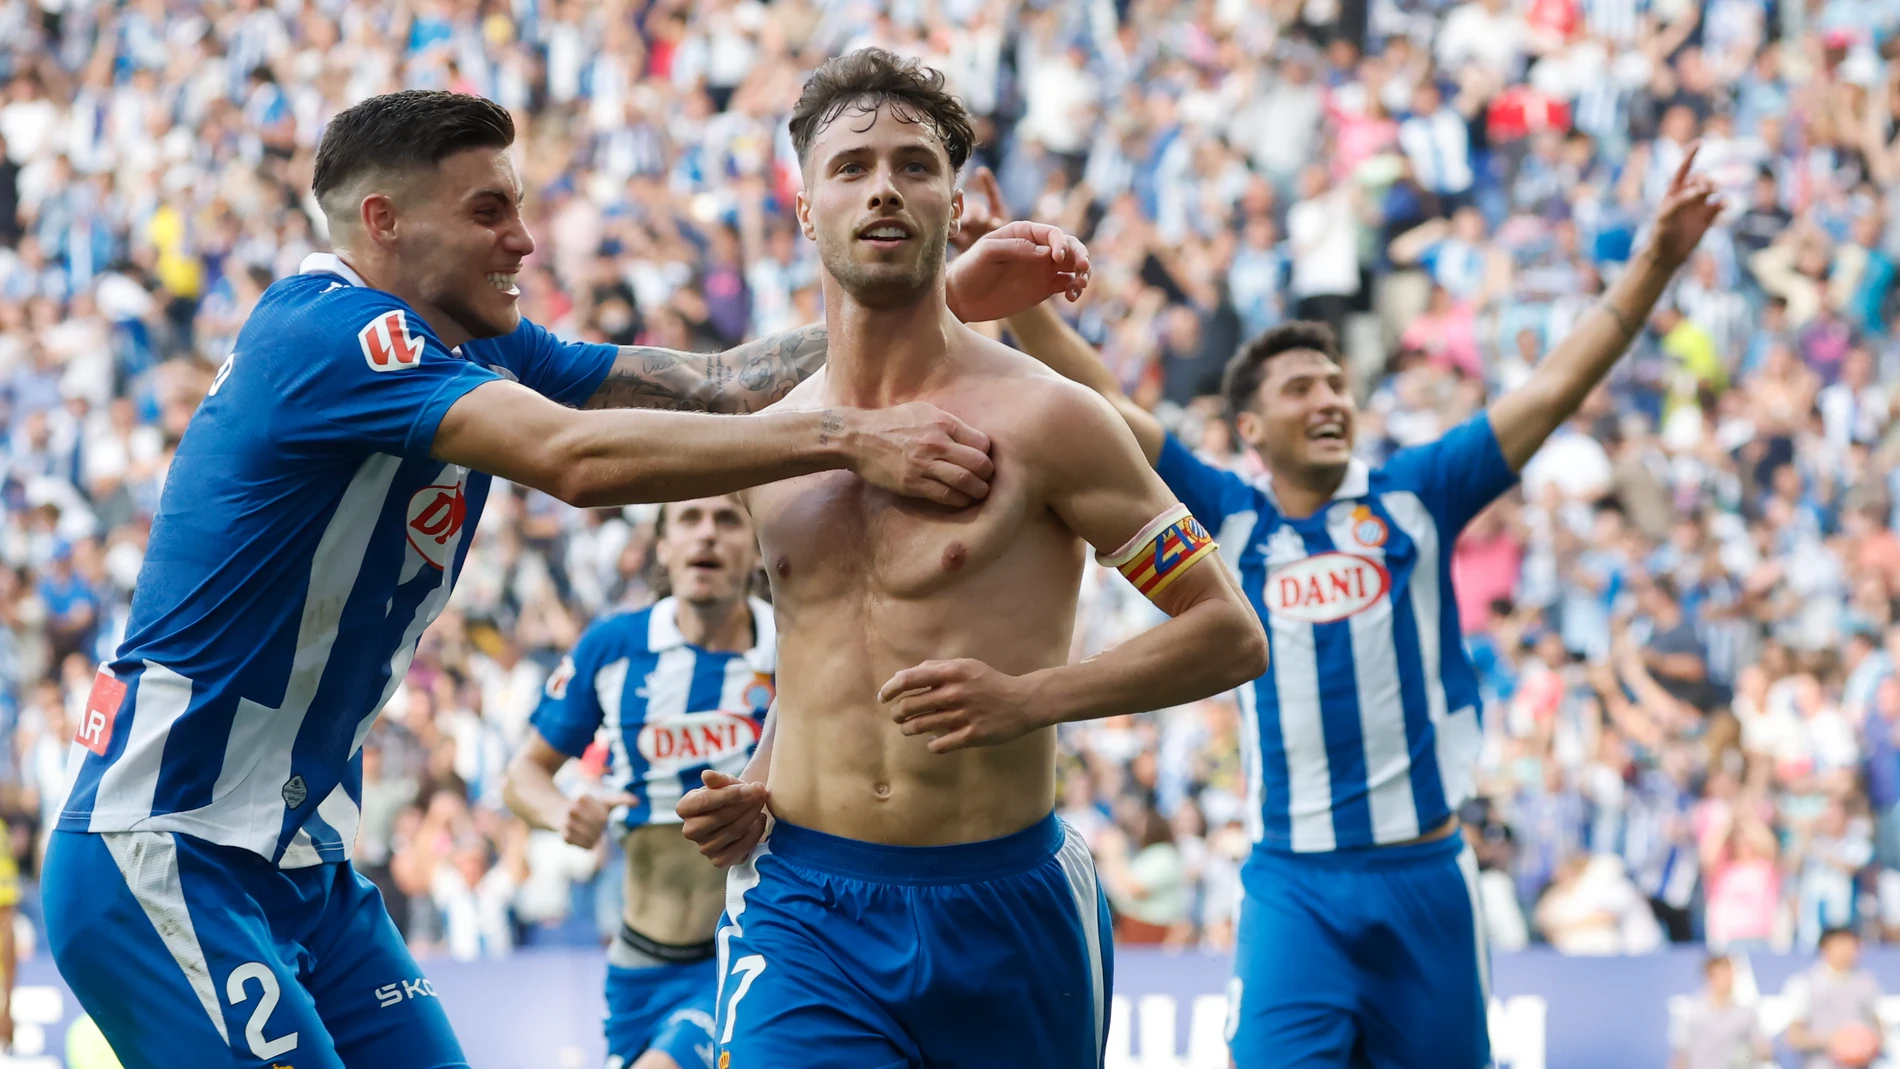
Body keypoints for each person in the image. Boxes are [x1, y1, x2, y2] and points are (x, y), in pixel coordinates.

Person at [38, 89, 1086, 1069]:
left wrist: (938, 293)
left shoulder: (471, 346)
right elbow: (575, 462)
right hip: (165, 843)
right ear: (384, 222)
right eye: (489, 211)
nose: (525, 241)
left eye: (522, 208)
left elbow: (712, 386)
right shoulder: (328, 333)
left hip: (301, 861)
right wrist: (849, 439)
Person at [996, 148, 1722, 1066]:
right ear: (1251, 429)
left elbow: (1552, 389)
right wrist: (1019, 301)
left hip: (1426, 877)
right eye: (1301, 387)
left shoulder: (1420, 491)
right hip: (1294, 887)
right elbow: (1100, 399)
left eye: (1337, 382)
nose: (1330, 397)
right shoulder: (1227, 512)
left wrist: (1656, 259)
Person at [673, 49, 1267, 1068]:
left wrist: (1030, 697)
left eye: (913, 163)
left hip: (1005, 905)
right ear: (805, 209)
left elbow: (1232, 632)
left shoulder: (1051, 418)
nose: (884, 186)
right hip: (805, 908)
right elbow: (826, 639)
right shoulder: (769, 441)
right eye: (850, 166)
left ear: (953, 201)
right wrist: (760, 778)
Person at [504, 495, 775, 1069]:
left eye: (727, 520)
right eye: (689, 519)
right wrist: (563, 814)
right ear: (664, 547)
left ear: (757, 551)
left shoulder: (793, 648)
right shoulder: (613, 648)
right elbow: (522, 775)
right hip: (637, 962)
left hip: (747, 946)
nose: (707, 535)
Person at [1786, 927, 1886, 1069]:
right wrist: (1835, 1041)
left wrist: (1867, 1043)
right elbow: (1793, 1036)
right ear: (1825, 948)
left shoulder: (1867, 982)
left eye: (1852, 945)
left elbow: (1878, 1025)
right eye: (1840, 945)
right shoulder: (1805, 983)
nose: (1847, 951)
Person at [1670, 954, 1771, 1069]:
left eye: (1730, 973)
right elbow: (1680, 1056)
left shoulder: (1747, 1014)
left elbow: (1763, 1050)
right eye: (1722, 973)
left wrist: (1758, 1054)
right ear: (1709, 977)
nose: (1729, 978)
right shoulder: (1691, 1014)